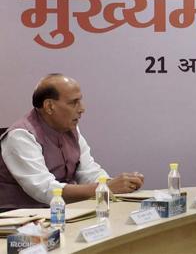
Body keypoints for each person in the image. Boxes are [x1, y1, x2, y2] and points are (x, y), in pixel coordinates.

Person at [0, 74, 144, 209]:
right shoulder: (20, 136)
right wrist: (106, 188)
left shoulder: (70, 128)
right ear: (49, 106)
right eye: (73, 102)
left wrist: (116, 184)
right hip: (19, 223)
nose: (82, 108)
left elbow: (88, 172)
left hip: (62, 213)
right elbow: (44, 190)